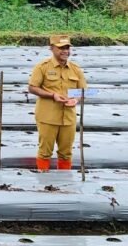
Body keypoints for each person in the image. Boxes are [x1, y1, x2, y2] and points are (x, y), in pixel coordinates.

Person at [28, 34, 87, 171]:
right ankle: (43, 180)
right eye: (61, 48)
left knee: (66, 153)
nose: (65, 51)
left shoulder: (76, 69)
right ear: (52, 48)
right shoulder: (42, 67)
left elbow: (83, 91)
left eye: (67, 47)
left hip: (68, 118)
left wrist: (75, 99)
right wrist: (52, 95)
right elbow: (32, 88)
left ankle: (64, 183)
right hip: (48, 117)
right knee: (45, 152)